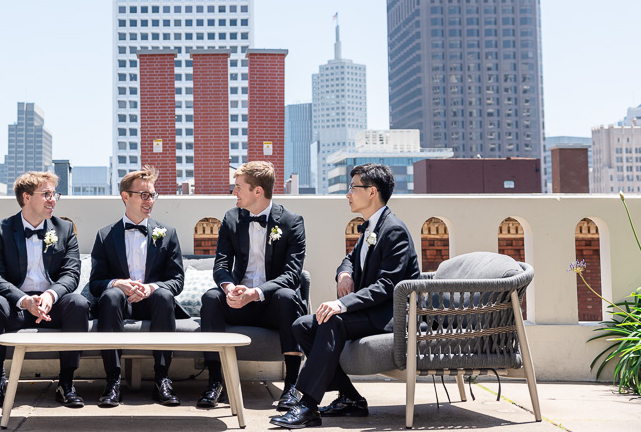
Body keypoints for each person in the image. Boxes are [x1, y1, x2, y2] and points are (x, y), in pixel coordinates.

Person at [271, 163, 421, 429]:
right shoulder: (371, 227)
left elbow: (388, 285)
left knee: (331, 319)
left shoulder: (393, 230)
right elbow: (349, 259)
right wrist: (344, 274)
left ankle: (306, 405)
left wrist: (341, 304)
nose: (348, 194)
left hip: (389, 316)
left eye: (353, 188)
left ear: (372, 192)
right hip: (369, 311)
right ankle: (350, 398)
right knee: (302, 326)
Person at [196, 160, 306, 411]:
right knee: (211, 298)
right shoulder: (231, 218)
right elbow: (221, 264)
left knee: (289, 297)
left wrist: (256, 293)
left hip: (271, 303)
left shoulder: (292, 222)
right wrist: (229, 288)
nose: (233, 192)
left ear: (258, 191)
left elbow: (292, 275)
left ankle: (291, 386)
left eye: (238, 187)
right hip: (237, 300)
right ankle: (215, 382)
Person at [0, 171, 91, 408]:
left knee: (78, 304)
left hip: (52, 306)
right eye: (46, 194)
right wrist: (24, 300)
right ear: (26, 198)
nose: (53, 200)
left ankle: (66, 383)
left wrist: (51, 294)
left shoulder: (65, 229)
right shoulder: (1, 229)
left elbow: (71, 274)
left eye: (54, 194)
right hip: (14, 307)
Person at [88, 166, 186, 407]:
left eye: (153, 195)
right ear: (125, 197)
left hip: (154, 304)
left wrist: (152, 288)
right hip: (120, 306)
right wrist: (117, 283)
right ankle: (113, 381)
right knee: (110, 296)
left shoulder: (168, 233)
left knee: (164, 296)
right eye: (144, 195)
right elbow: (95, 283)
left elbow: (177, 280)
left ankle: (162, 379)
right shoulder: (105, 236)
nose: (150, 201)